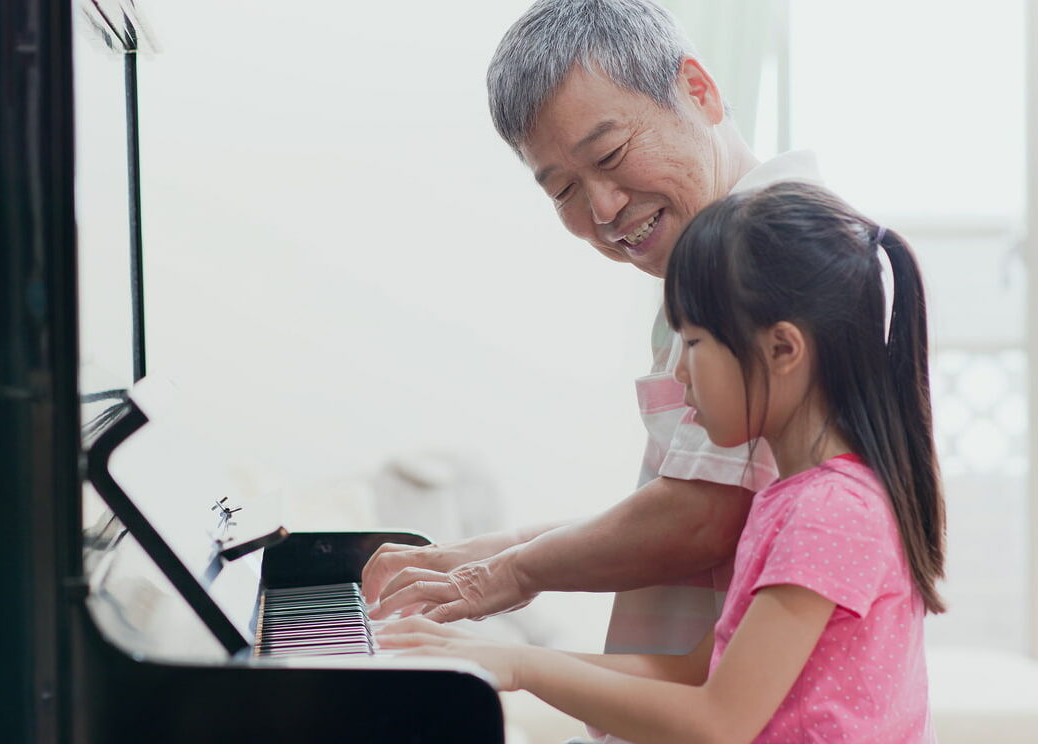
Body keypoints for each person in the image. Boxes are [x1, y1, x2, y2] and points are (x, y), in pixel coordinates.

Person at [380, 181, 946, 744]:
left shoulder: (830, 512)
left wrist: (520, 666)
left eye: (694, 343)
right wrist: (498, 660)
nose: (679, 374)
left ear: (781, 349)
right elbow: (690, 673)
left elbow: (718, 722)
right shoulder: (793, 499)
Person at [363, 0, 820, 659]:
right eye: (563, 191)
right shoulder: (712, 261)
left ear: (700, 92)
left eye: (609, 154)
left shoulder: (769, 252)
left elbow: (702, 520)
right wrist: (491, 553)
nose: (602, 209)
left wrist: (510, 573)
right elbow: (689, 495)